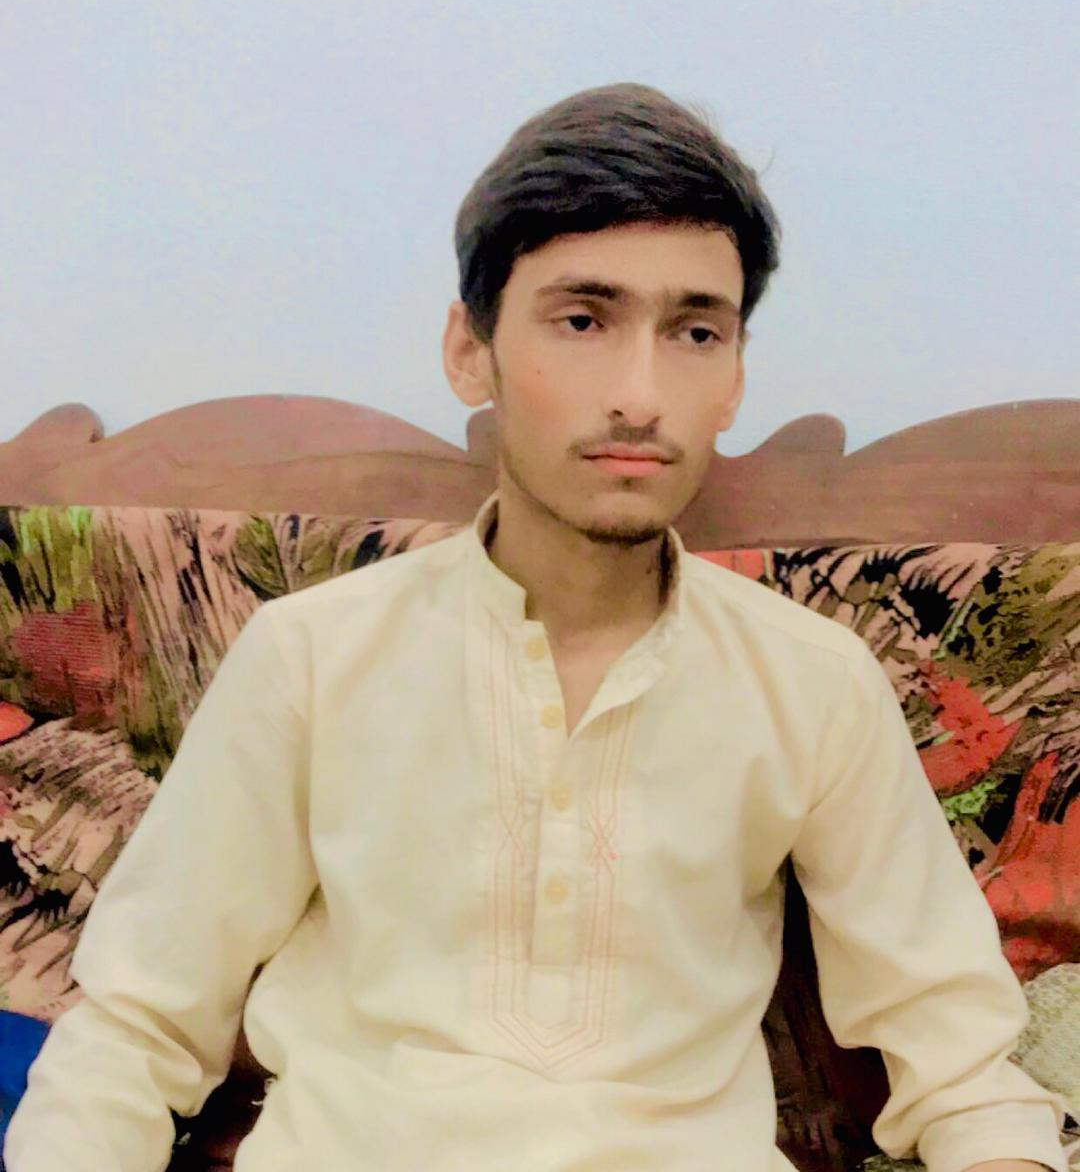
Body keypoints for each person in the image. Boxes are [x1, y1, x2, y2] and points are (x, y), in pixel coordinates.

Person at [6, 84, 1071, 1172]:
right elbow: (135, 1029)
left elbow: (962, 1068)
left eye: (695, 331)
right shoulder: (311, 656)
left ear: (735, 377)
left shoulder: (812, 680)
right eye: (583, 320)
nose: (641, 395)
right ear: (470, 351)